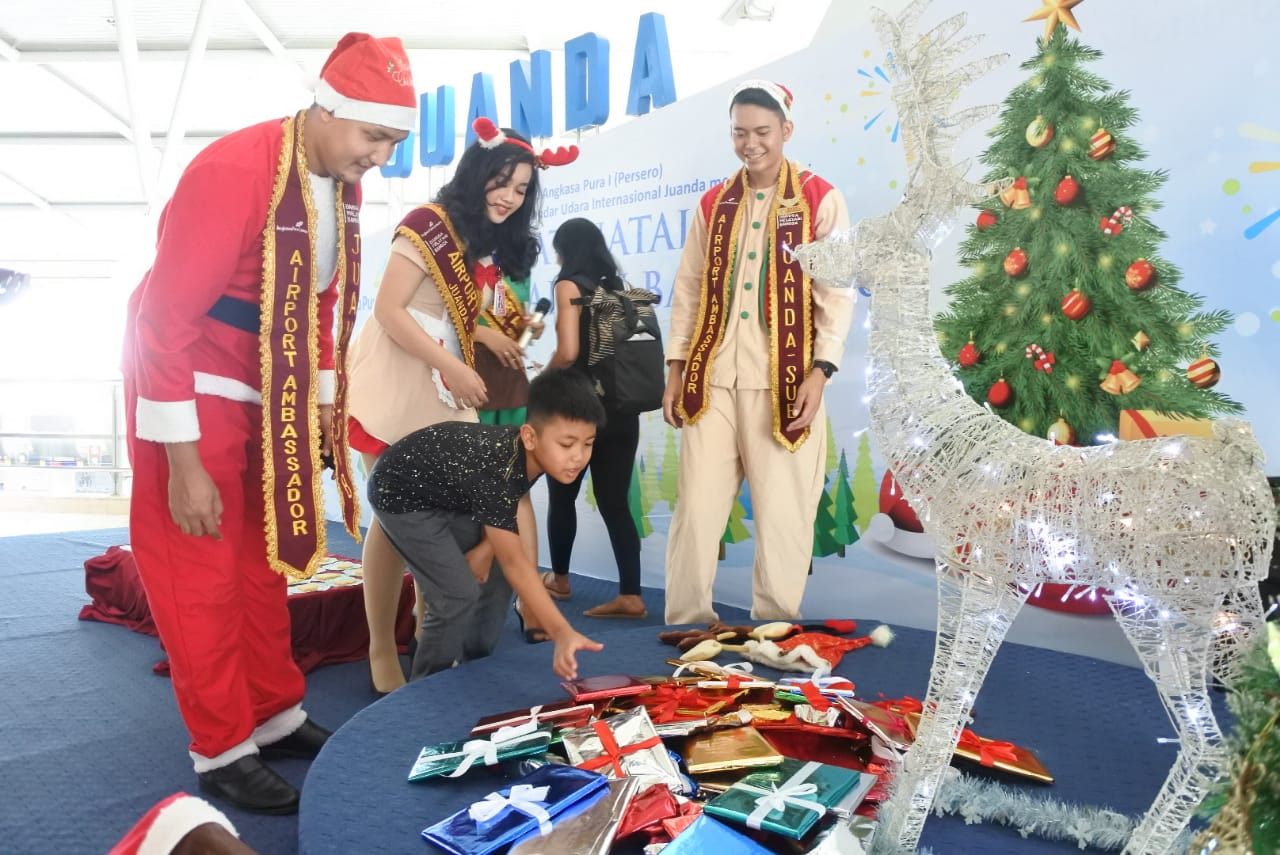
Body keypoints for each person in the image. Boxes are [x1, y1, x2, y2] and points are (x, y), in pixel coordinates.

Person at [120, 34, 416, 814]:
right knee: (200, 568)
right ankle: (220, 746)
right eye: (373, 135)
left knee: (261, 559)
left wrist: (322, 402)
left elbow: (320, 303)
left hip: (269, 390)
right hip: (188, 377)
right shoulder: (233, 169)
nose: (381, 156)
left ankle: (273, 710)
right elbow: (162, 321)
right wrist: (181, 460)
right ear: (327, 109)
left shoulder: (340, 187)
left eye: (393, 141)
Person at [346, 119, 551, 695]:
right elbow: (391, 309)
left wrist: (485, 341)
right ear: (477, 173)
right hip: (400, 375)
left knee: (443, 505)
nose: (509, 196)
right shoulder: (426, 225)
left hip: (444, 379)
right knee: (392, 514)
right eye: (502, 182)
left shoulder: (481, 239)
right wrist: (453, 364)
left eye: (521, 189)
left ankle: (428, 623)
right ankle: (381, 646)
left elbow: (460, 315)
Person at [662, 80, 852, 624]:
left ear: (786, 131)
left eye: (762, 132)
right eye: (740, 132)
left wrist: (822, 371)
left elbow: (836, 293)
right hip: (711, 380)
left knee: (784, 513)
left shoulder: (819, 197)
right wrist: (676, 369)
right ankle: (688, 624)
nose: (751, 143)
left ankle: (775, 624)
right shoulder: (714, 202)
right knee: (696, 511)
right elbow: (690, 288)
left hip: (785, 383)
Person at [366, 368, 606, 679]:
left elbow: (503, 522)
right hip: (400, 495)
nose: (577, 457)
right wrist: (561, 631)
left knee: (495, 573)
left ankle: (475, 665)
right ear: (530, 437)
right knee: (457, 595)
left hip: (449, 493)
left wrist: (484, 549)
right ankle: (425, 686)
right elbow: (516, 563)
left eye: (587, 444)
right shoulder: (499, 469)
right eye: (567, 444)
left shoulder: (525, 459)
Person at [532, 218, 646, 628]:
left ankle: (559, 580)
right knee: (616, 503)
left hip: (580, 409)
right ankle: (631, 595)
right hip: (624, 409)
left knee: (563, 496)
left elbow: (567, 352)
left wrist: (539, 385)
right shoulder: (619, 289)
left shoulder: (569, 286)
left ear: (565, 251)